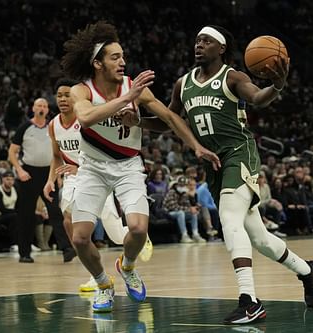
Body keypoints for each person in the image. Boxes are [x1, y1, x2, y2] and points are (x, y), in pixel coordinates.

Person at [61, 21, 219, 313]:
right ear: (97, 63)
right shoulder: (80, 91)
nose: (123, 62)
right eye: (114, 57)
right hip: (93, 167)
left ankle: (128, 265)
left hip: (128, 165)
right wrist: (128, 98)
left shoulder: (134, 88)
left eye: (123, 56)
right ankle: (102, 283)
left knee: (138, 229)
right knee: (80, 238)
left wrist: (195, 146)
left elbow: (171, 119)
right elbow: (86, 119)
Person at [168, 25, 313, 324]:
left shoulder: (233, 77)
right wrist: (139, 121)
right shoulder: (182, 84)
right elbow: (170, 119)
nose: (199, 44)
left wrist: (277, 85)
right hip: (212, 164)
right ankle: (308, 270)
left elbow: (258, 98)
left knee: (228, 217)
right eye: (197, 39)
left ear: (221, 48)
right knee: (259, 238)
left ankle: (249, 301)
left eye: (207, 41)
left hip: (239, 154)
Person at [42, 78, 153, 293]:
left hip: (95, 170)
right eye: (59, 95)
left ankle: (139, 239)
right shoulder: (54, 125)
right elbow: (56, 156)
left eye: (67, 94)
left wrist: (80, 166)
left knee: (115, 233)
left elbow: (98, 146)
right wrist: (49, 180)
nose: (64, 99)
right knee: (71, 223)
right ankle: (96, 277)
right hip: (77, 177)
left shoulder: (88, 115)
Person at [8, 98, 75, 263]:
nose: (42, 108)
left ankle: (67, 249)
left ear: (47, 110)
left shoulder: (52, 126)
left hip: (48, 173)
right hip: (29, 173)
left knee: (55, 212)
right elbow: (12, 152)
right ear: (33, 108)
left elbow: (57, 153)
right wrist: (20, 170)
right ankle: (25, 253)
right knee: (26, 214)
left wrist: (57, 175)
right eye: (39, 105)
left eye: (45, 106)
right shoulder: (25, 127)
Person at [0, 171, 18, 249]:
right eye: (7, 179)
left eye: (12, 179)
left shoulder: (15, 189)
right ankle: (13, 244)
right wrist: (17, 211)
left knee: (26, 216)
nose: (10, 182)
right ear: (3, 180)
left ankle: (27, 243)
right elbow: (2, 210)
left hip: (11, 215)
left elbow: (18, 205)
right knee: (15, 216)